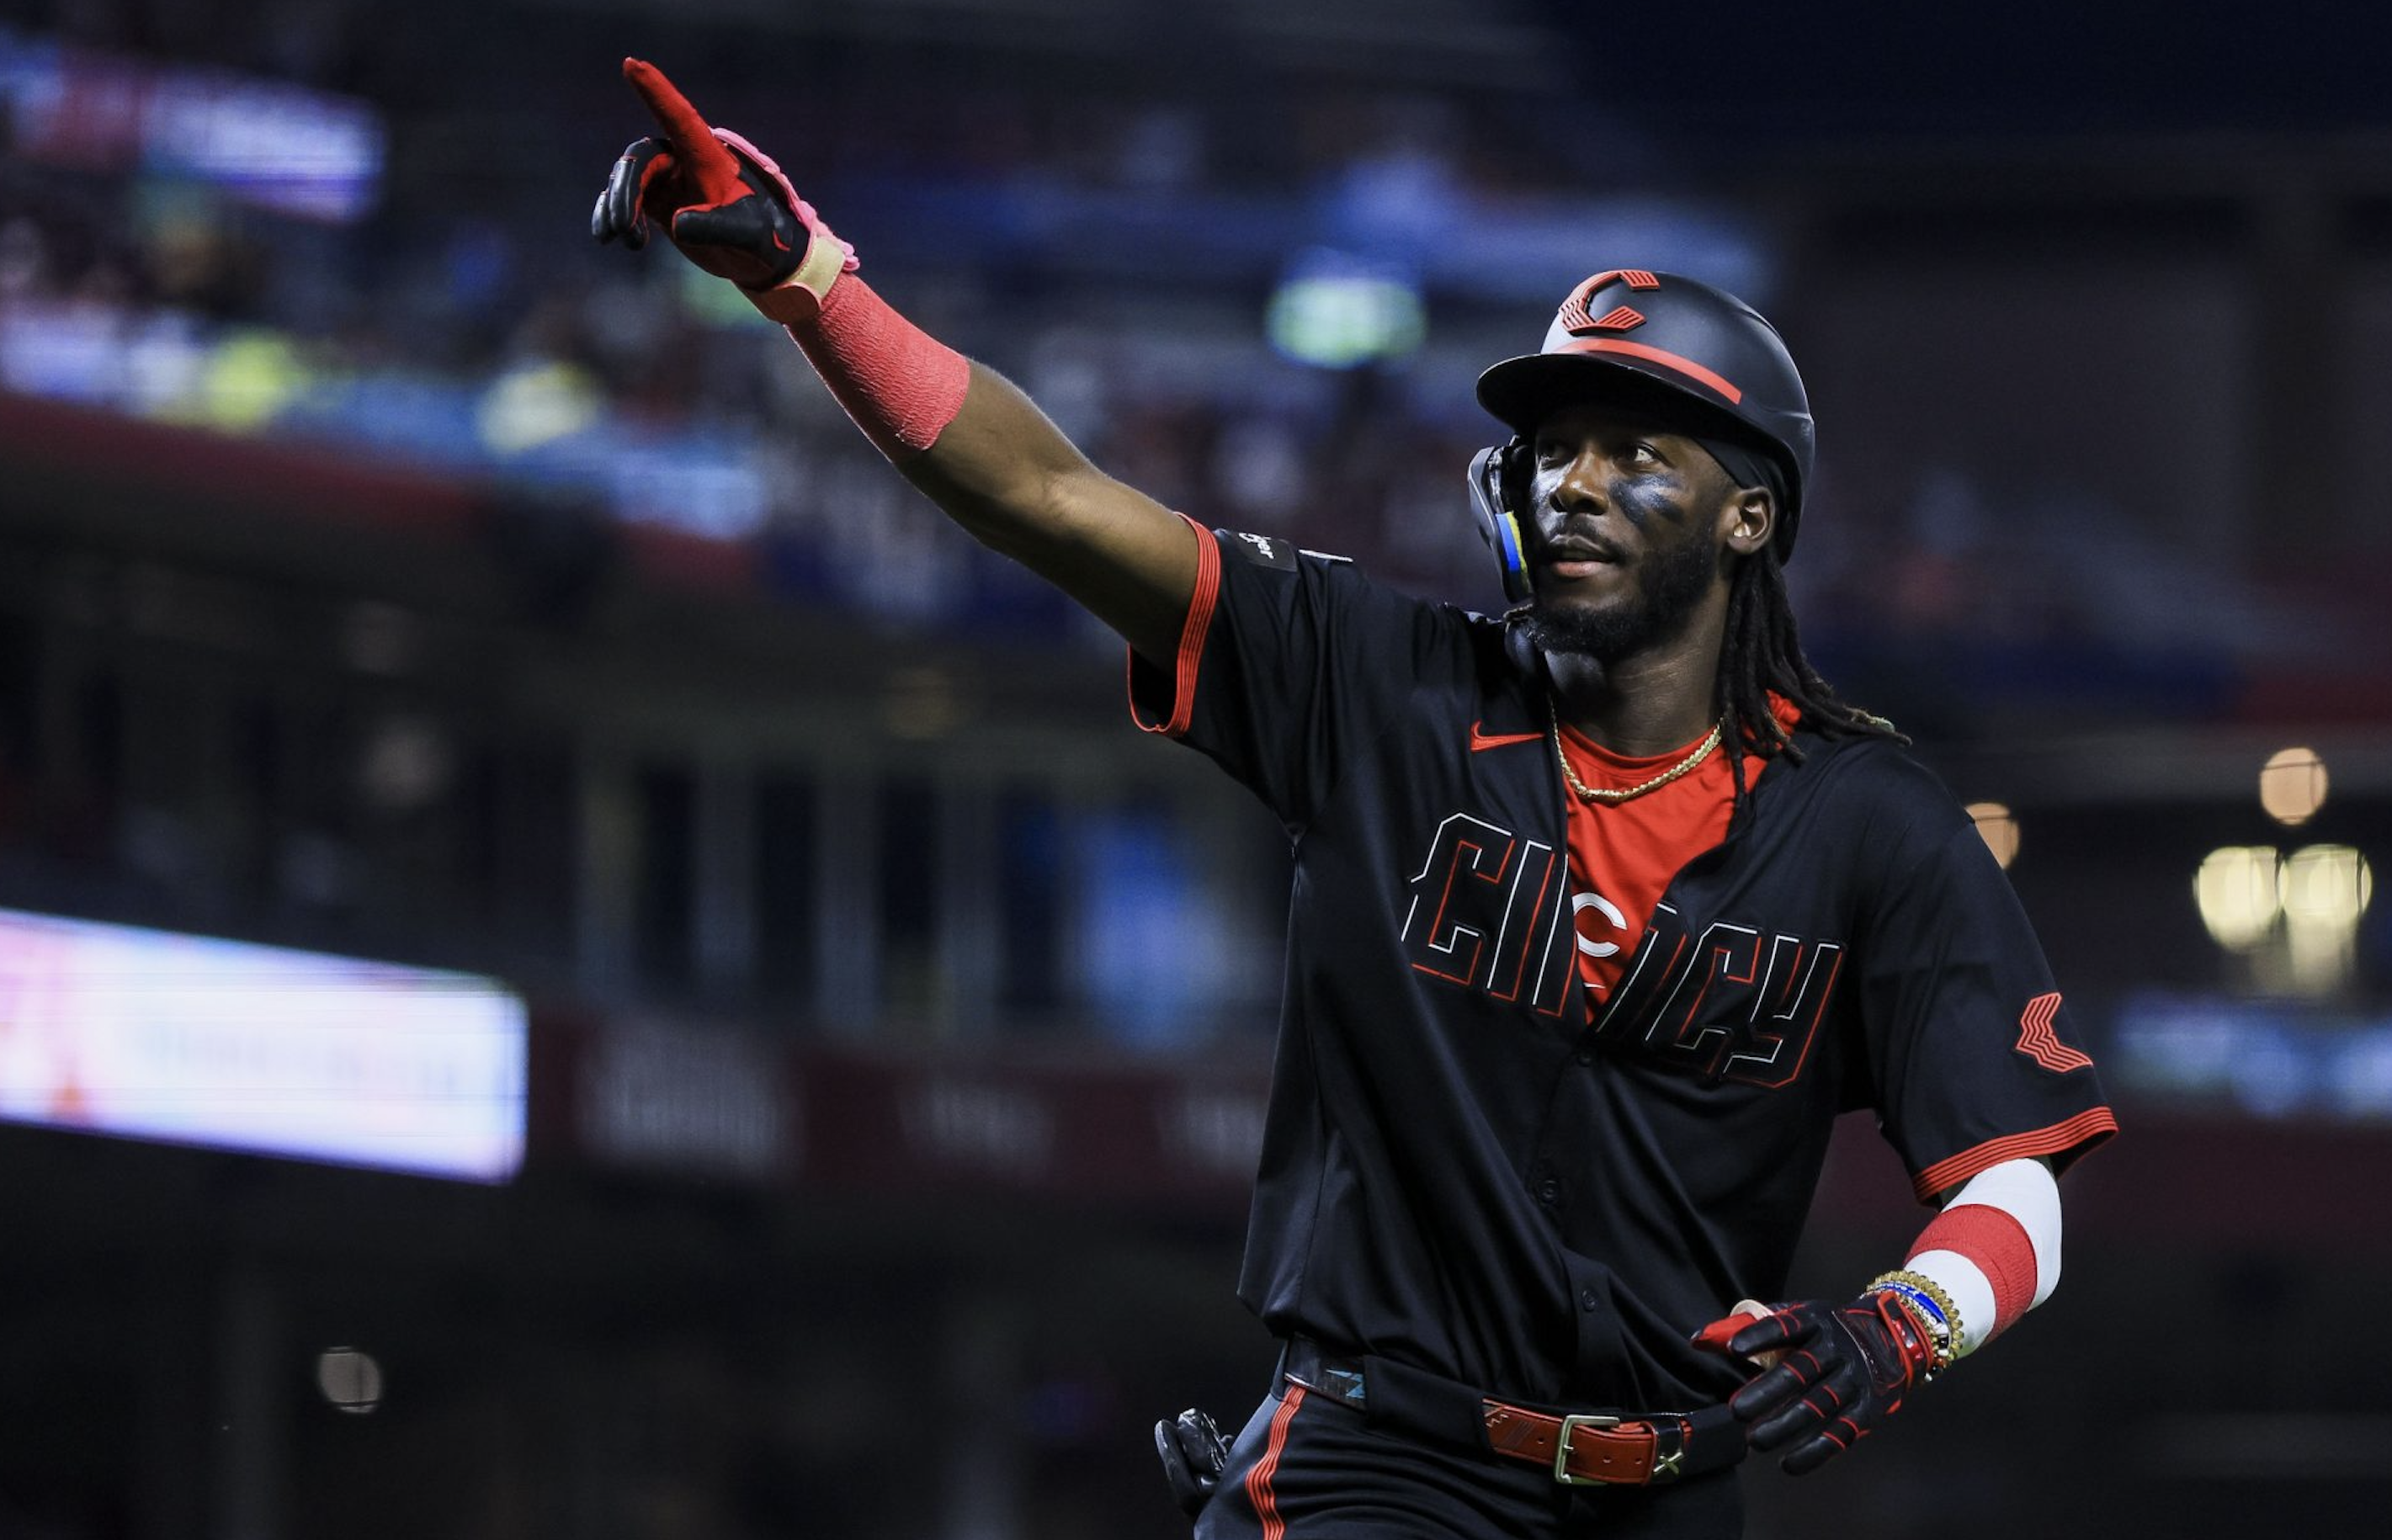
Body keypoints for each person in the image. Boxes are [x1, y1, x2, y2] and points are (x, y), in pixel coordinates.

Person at [592, 61, 2118, 1539]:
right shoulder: (1377, 684)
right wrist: (814, 281)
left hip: (1666, 1492)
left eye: (1632, 453)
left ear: (1749, 516)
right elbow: (1049, 496)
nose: (1570, 485)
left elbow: (2015, 1178)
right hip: (1380, 1467)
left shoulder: (1868, 822)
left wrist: (1904, 1326)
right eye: (1551, 450)